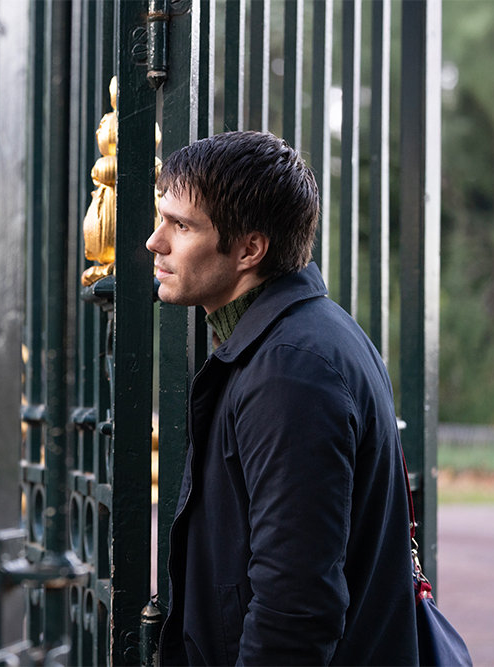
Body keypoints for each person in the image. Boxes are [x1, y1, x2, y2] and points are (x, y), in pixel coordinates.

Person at [147, 131, 417, 665]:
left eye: (181, 225)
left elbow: (295, 604)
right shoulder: (298, 338)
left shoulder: (291, 368)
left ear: (250, 249)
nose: (156, 242)